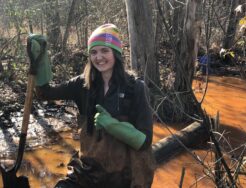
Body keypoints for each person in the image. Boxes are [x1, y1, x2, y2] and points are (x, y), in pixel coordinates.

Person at [28, 23, 155, 188]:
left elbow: (145, 141)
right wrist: (40, 58)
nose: (99, 57)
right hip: (89, 172)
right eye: (93, 52)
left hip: (125, 177)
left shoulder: (135, 88)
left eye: (105, 51)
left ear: (116, 53)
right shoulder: (82, 84)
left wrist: (113, 126)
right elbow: (46, 93)